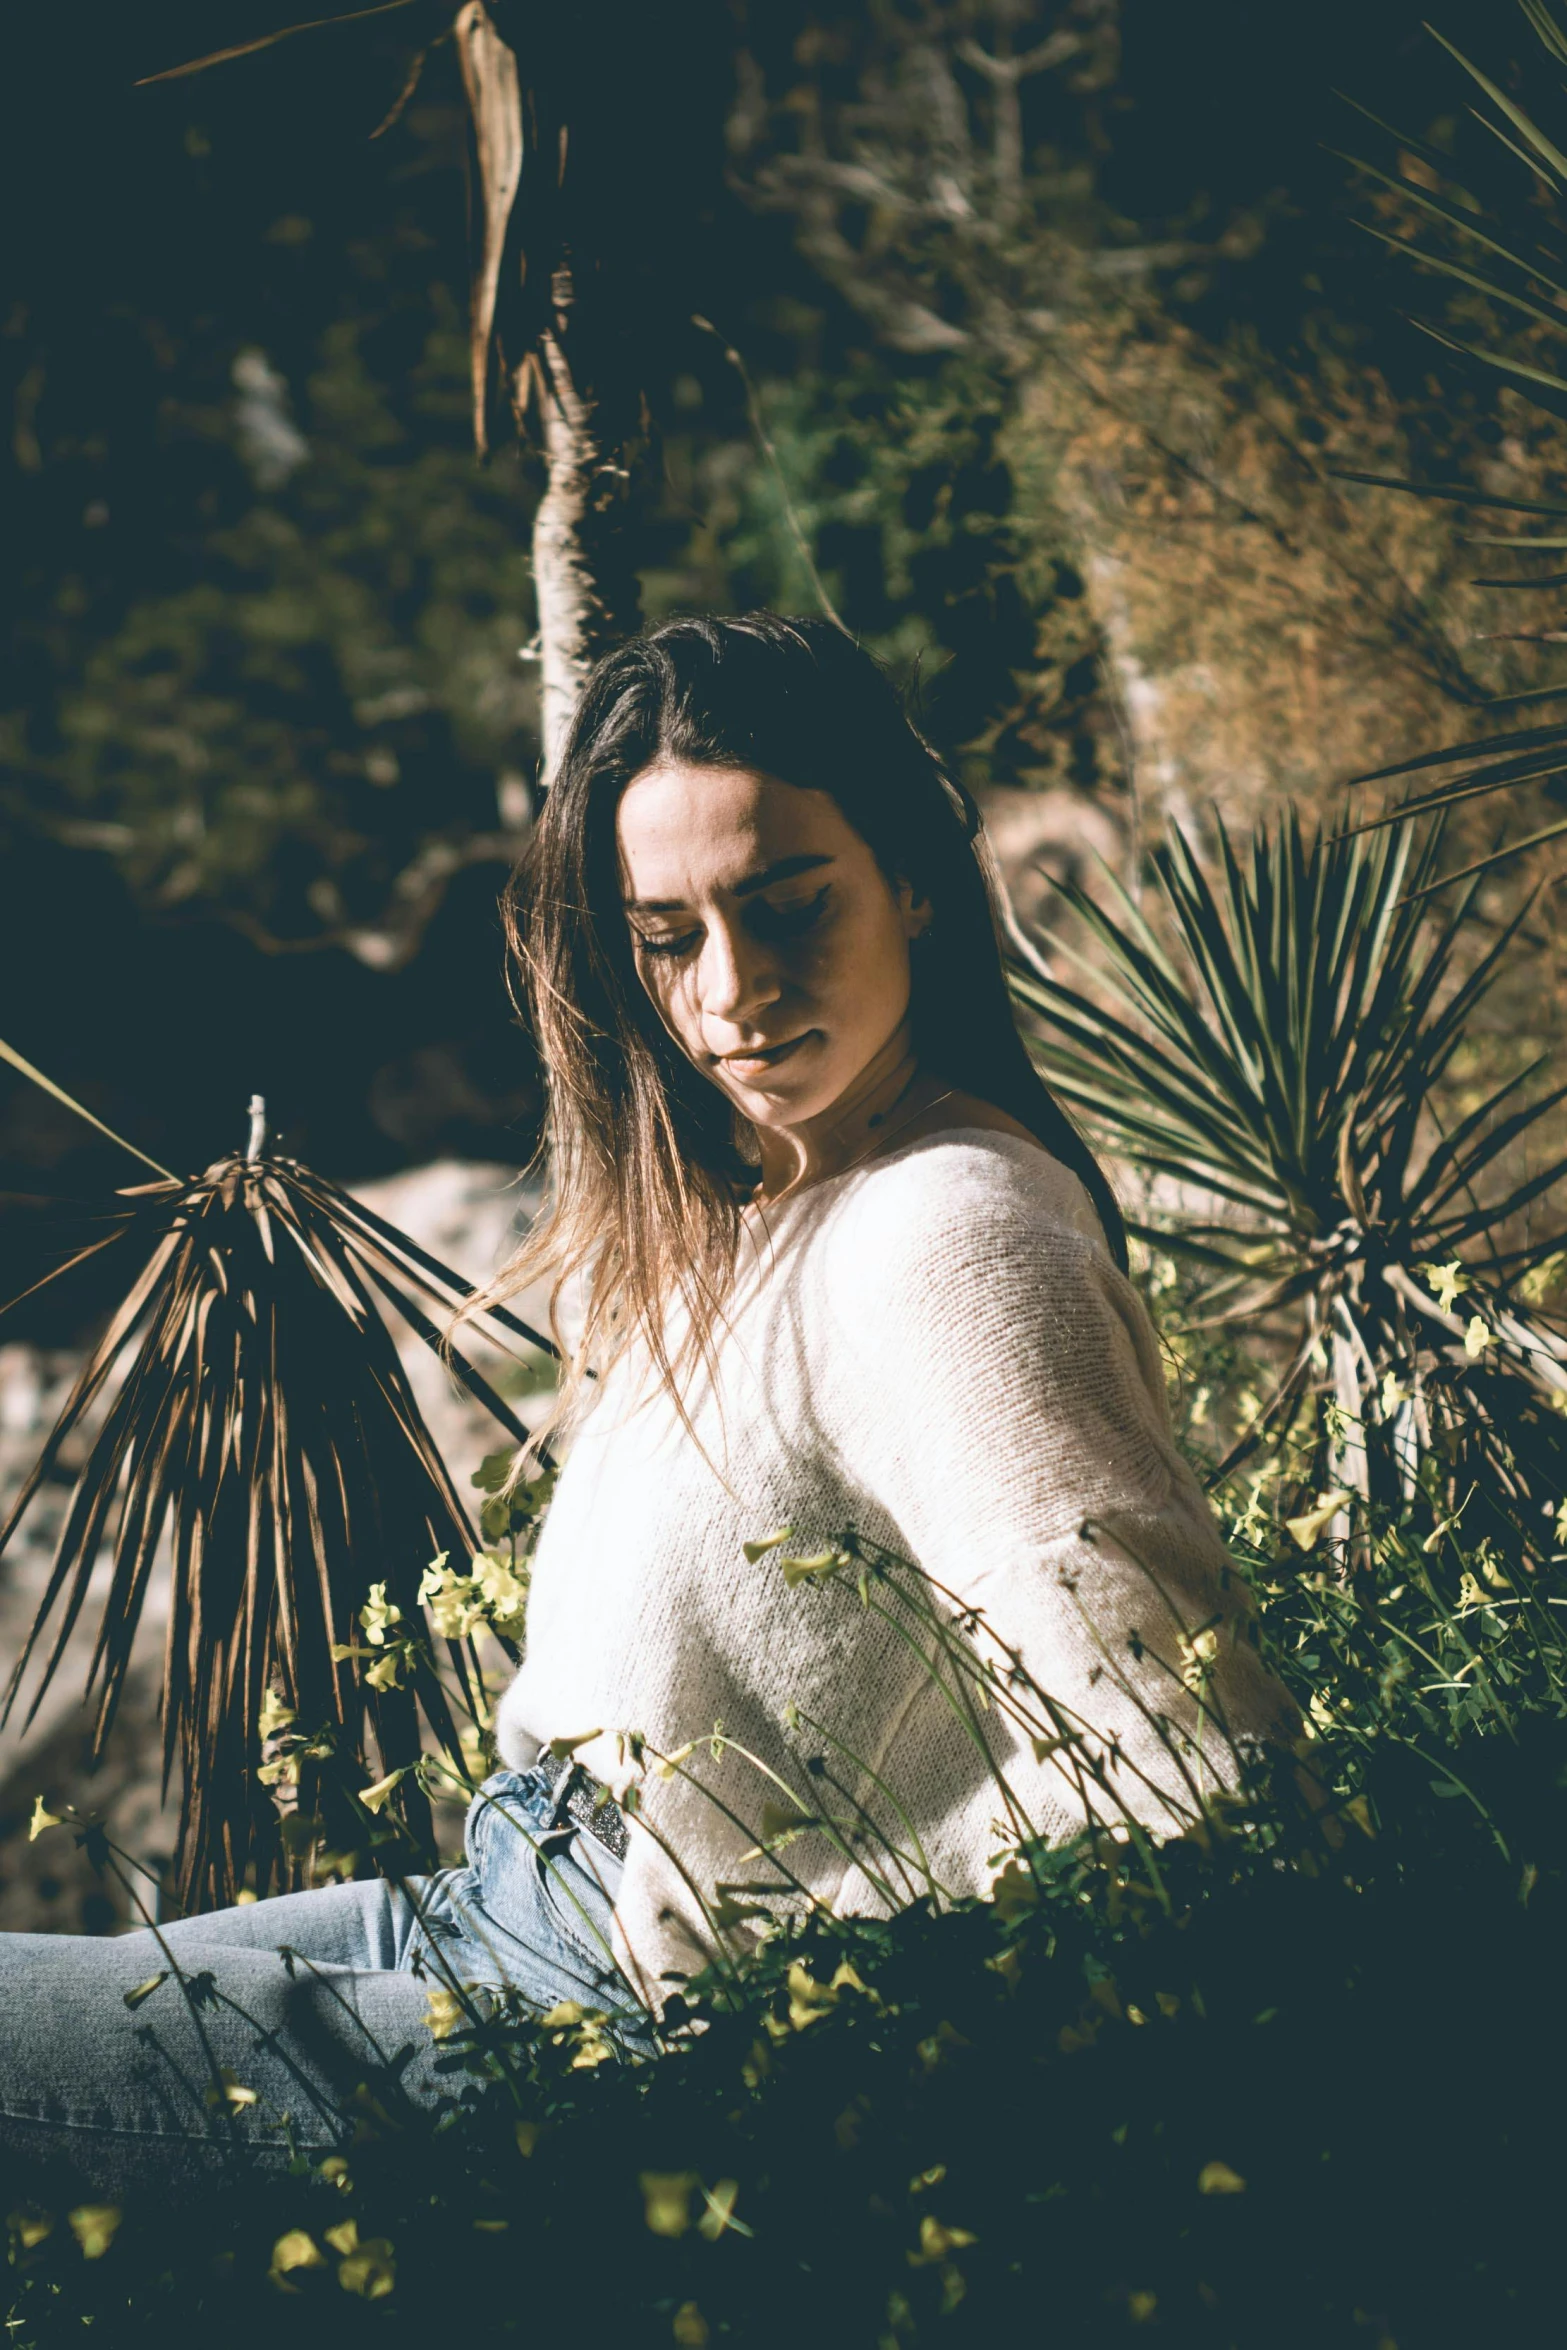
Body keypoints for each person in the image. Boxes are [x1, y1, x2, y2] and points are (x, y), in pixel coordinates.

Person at [0, 613, 1297, 2194]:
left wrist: (799, 2003)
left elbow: (1177, 1751)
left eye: (788, 903)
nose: (735, 990)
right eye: (670, 934)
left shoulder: (946, 1226)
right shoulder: (759, 1205)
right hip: (495, 1894)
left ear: (915, 878)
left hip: (600, 2000)